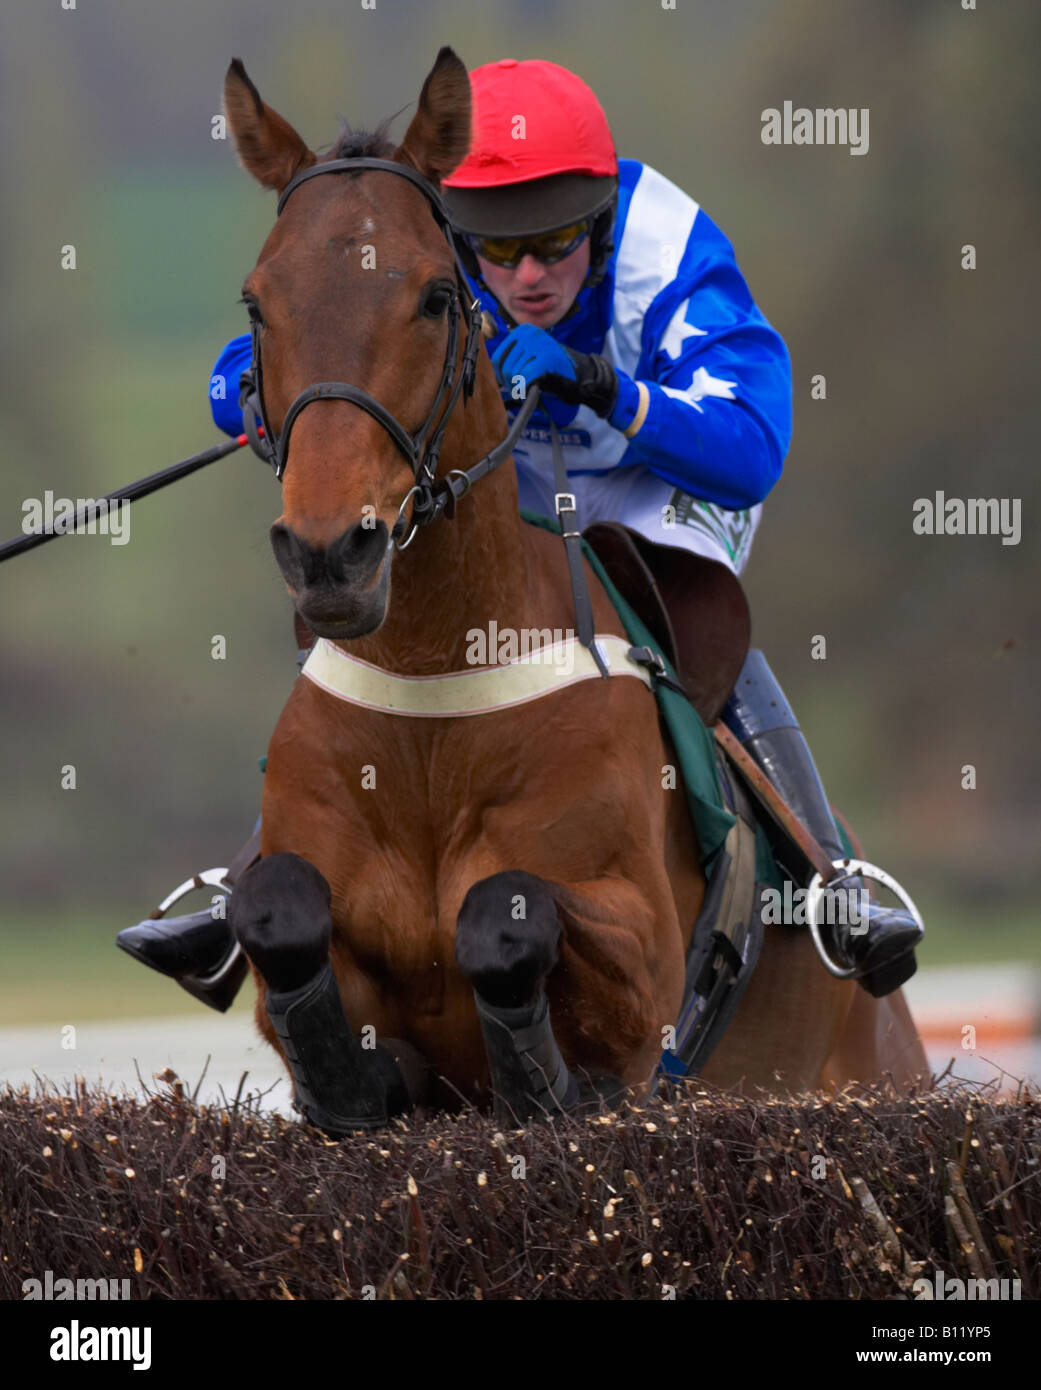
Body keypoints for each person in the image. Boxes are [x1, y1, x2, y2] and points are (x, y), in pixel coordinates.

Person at [119, 58, 922, 1002]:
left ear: (603, 215)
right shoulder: (427, 231)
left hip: (651, 468)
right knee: (380, 585)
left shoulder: (668, 248)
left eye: (556, 244)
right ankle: (242, 888)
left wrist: (602, 385)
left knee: (671, 590)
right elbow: (275, 350)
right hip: (507, 473)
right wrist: (259, 395)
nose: (528, 277)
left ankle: (831, 874)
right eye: (498, 254)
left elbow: (749, 446)